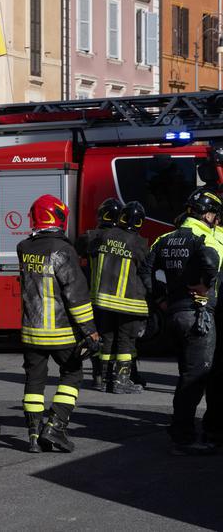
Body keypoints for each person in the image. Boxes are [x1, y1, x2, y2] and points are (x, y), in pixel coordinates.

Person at [19, 194, 99, 454]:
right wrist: (90, 331)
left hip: (31, 332)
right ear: (59, 217)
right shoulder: (63, 250)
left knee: (34, 380)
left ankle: (32, 436)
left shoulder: (24, 248)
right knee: (73, 373)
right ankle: (55, 425)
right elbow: (75, 295)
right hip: (61, 332)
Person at [148, 188, 223, 454]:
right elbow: (211, 263)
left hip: (173, 315)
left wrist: (161, 300)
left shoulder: (163, 238)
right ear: (208, 213)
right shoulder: (208, 238)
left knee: (186, 375)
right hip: (199, 316)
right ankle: (184, 436)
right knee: (197, 378)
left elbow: (147, 272)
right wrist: (206, 284)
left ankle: (182, 429)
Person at [90, 201, 151, 394]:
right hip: (129, 303)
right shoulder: (139, 243)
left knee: (107, 339)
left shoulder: (105, 236)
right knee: (126, 340)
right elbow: (145, 270)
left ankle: (104, 379)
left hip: (104, 302)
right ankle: (121, 382)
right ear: (140, 222)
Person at [76, 197, 124, 391]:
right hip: (119, 297)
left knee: (97, 337)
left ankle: (98, 375)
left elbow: (79, 256)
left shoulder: (89, 237)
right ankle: (115, 377)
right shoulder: (125, 238)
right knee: (118, 338)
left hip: (94, 296)